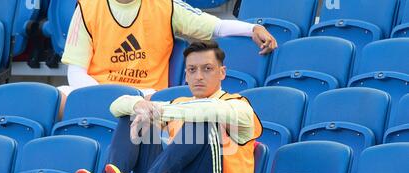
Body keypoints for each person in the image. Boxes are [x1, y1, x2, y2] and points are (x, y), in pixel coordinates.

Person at [74, 40, 262, 173]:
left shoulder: (239, 105)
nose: (199, 76)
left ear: (222, 73)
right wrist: (139, 105)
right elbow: (117, 105)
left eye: (207, 69)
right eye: (192, 70)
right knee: (133, 116)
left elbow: (209, 110)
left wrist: (157, 111)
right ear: (185, 75)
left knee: (201, 123)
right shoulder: (179, 105)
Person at [58, 0, 277, 113]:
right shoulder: (87, 7)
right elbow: (75, 72)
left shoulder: (164, 5)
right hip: (98, 90)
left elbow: (216, 26)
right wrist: (107, 97)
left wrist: (252, 29)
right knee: (56, 99)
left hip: (146, 94)